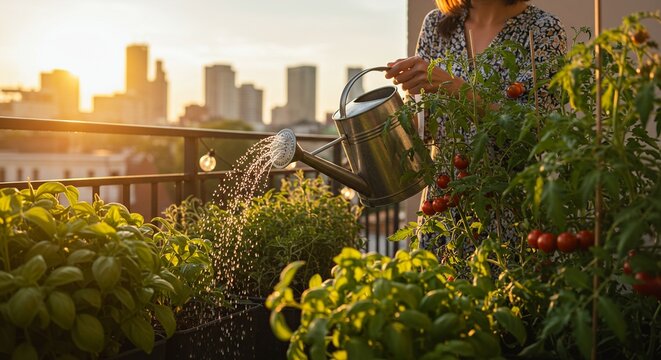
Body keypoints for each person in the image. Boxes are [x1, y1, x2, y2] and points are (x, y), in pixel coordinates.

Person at [385, 0, 567, 253]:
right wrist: (395, 115)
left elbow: (532, 129)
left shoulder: (543, 29)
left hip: (509, 205)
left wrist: (453, 86)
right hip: (446, 203)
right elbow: (423, 128)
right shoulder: (436, 25)